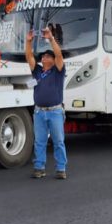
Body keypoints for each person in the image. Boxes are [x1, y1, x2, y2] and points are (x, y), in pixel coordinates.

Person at [25, 26, 67, 179]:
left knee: (58, 141)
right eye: (42, 57)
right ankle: (39, 167)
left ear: (53, 60)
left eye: (47, 56)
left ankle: (61, 169)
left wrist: (50, 38)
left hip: (55, 111)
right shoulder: (37, 71)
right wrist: (28, 42)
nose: (44, 58)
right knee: (40, 142)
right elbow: (29, 56)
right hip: (39, 112)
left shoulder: (58, 71)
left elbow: (59, 54)